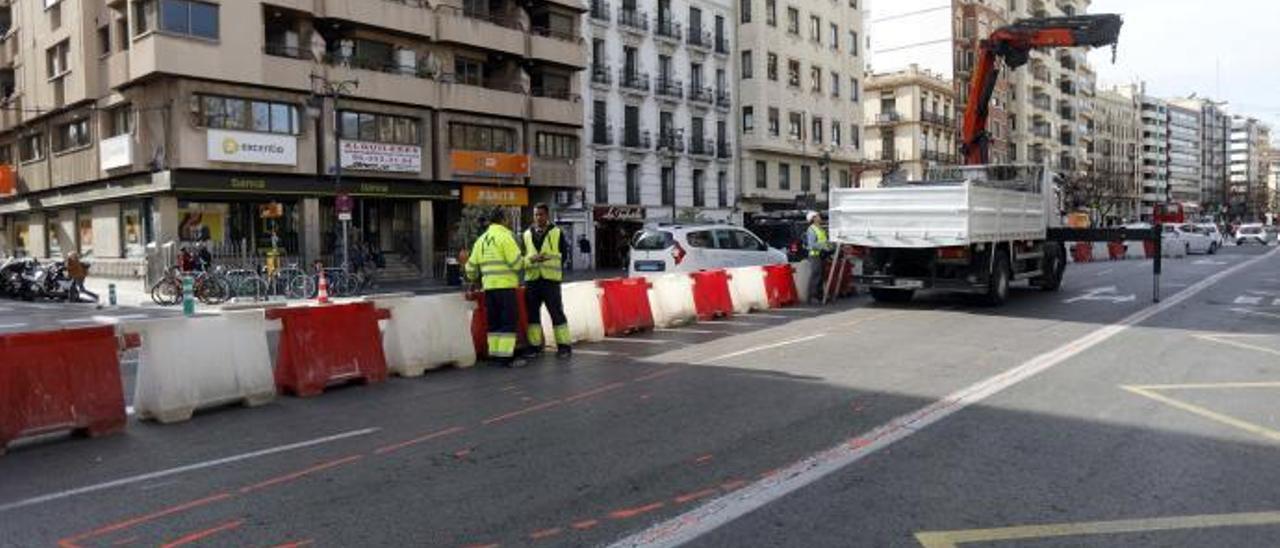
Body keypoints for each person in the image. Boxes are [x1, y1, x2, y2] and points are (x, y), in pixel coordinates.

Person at [464, 208, 527, 368]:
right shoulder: (505, 237)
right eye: (508, 218)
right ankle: (506, 358)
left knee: (494, 324)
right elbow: (517, 264)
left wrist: (472, 279)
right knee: (507, 323)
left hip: (489, 290)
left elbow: (470, 268)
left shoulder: (481, 240)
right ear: (504, 219)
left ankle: (496, 356)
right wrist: (530, 260)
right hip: (505, 287)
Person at [523, 203, 572, 359]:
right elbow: (522, 256)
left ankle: (564, 347)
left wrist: (549, 261)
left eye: (541, 215)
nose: (538, 218)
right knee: (532, 316)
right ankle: (535, 346)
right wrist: (532, 259)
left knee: (556, 313)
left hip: (550, 281)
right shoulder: (526, 234)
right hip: (532, 280)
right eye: (536, 215)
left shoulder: (557, 232)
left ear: (547, 215)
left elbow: (564, 255)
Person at [805, 211, 833, 304]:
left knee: (821, 276)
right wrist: (823, 246)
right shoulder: (811, 229)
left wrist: (829, 246)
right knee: (816, 275)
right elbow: (812, 244)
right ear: (813, 218)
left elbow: (824, 240)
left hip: (822, 255)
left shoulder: (820, 229)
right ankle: (812, 297)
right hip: (815, 255)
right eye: (817, 216)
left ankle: (820, 296)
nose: (820, 217)